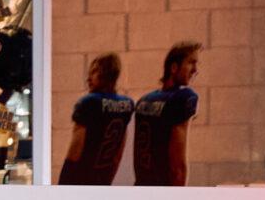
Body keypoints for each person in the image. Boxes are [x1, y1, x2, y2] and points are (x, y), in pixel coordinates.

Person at [132, 41, 202, 188]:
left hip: (140, 188)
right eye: (191, 63)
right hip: (163, 192)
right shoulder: (184, 97)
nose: (196, 70)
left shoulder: (144, 100)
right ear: (174, 67)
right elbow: (178, 166)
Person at [58, 54, 135, 187]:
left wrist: (63, 184)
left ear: (106, 74)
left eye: (94, 71)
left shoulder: (89, 102)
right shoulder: (127, 104)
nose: (88, 78)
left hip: (80, 177)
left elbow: (75, 152)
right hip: (103, 177)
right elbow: (118, 154)